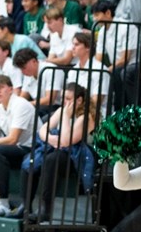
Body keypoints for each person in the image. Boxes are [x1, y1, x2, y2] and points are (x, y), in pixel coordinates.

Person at [18, 83, 96, 222]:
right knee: (30, 158)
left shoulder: (86, 117)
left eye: (67, 98)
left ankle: (45, 209)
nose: (64, 102)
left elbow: (67, 141)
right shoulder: (62, 110)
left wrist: (66, 117)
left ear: (79, 100)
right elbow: (43, 130)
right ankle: (25, 206)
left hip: (77, 156)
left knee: (52, 159)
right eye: (63, 98)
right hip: (58, 148)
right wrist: (51, 139)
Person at [0, 75, 38, 216]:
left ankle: (2, 203)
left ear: (10, 89)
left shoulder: (20, 104)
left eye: (2, 87)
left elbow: (12, 139)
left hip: (32, 148)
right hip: (18, 148)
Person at [13, 48, 65, 115]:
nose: (22, 72)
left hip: (57, 107)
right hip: (40, 106)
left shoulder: (51, 70)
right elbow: (23, 96)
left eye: (24, 68)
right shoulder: (28, 74)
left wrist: (28, 104)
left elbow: (50, 99)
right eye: (20, 69)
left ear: (34, 61)